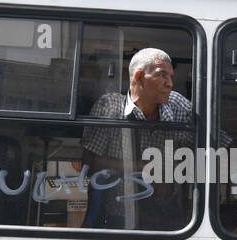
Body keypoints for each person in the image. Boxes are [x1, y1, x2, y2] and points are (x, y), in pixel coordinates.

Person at [82, 48, 194, 230]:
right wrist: (146, 169)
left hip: (169, 221)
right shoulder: (110, 106)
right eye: (162, 75)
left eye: (171, 77)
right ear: (139, 76)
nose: (170, 84)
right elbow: (90, 164)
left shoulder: (177, 105)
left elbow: (219, 147)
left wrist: (174, 176)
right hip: (118, 219)